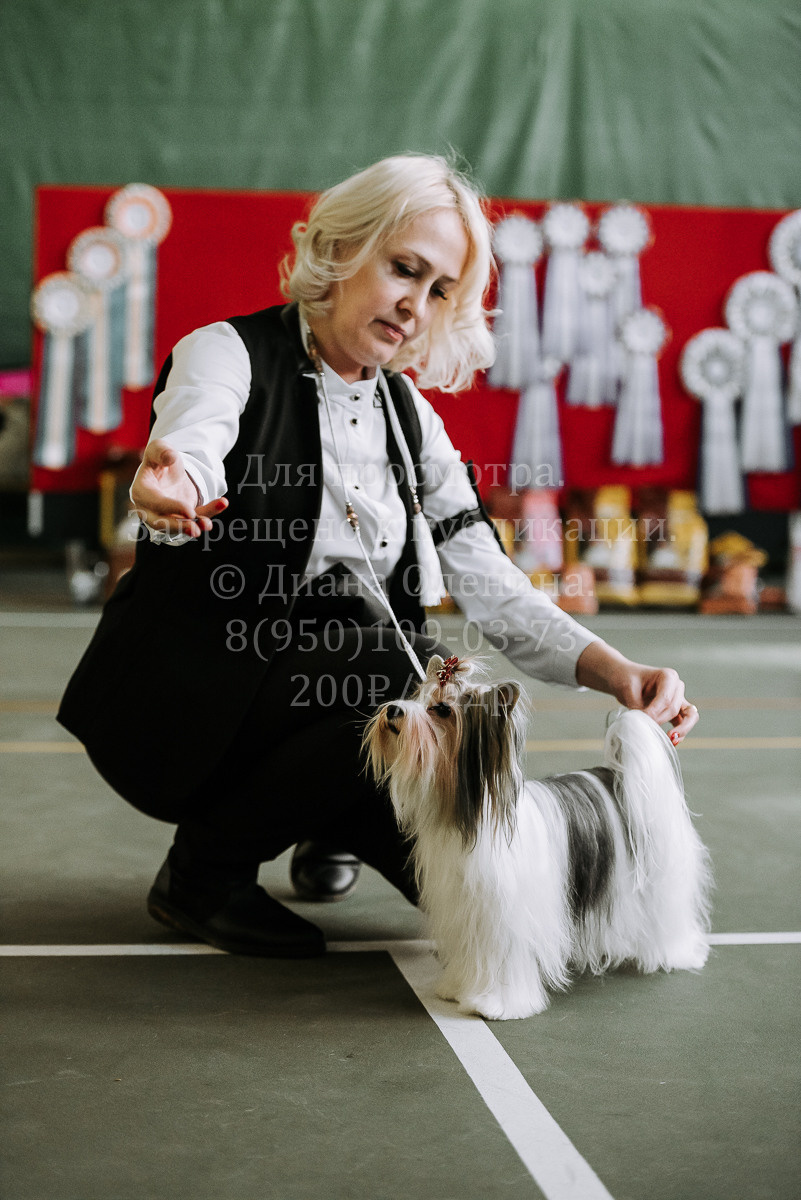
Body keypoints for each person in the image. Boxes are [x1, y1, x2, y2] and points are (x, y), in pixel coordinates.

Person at [58, 154, 699, 957]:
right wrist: (173, 478)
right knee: (395, 673)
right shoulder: (224, 353)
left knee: (451, 800)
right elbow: (196, 431)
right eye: (404, 269)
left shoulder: (409, 415)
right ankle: (203, 874)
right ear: (340, 247)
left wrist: (617, 673)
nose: (415, 305)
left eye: (440, 291)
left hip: (329, 682)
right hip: (194, 684)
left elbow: (490, 584)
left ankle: (331, 817)